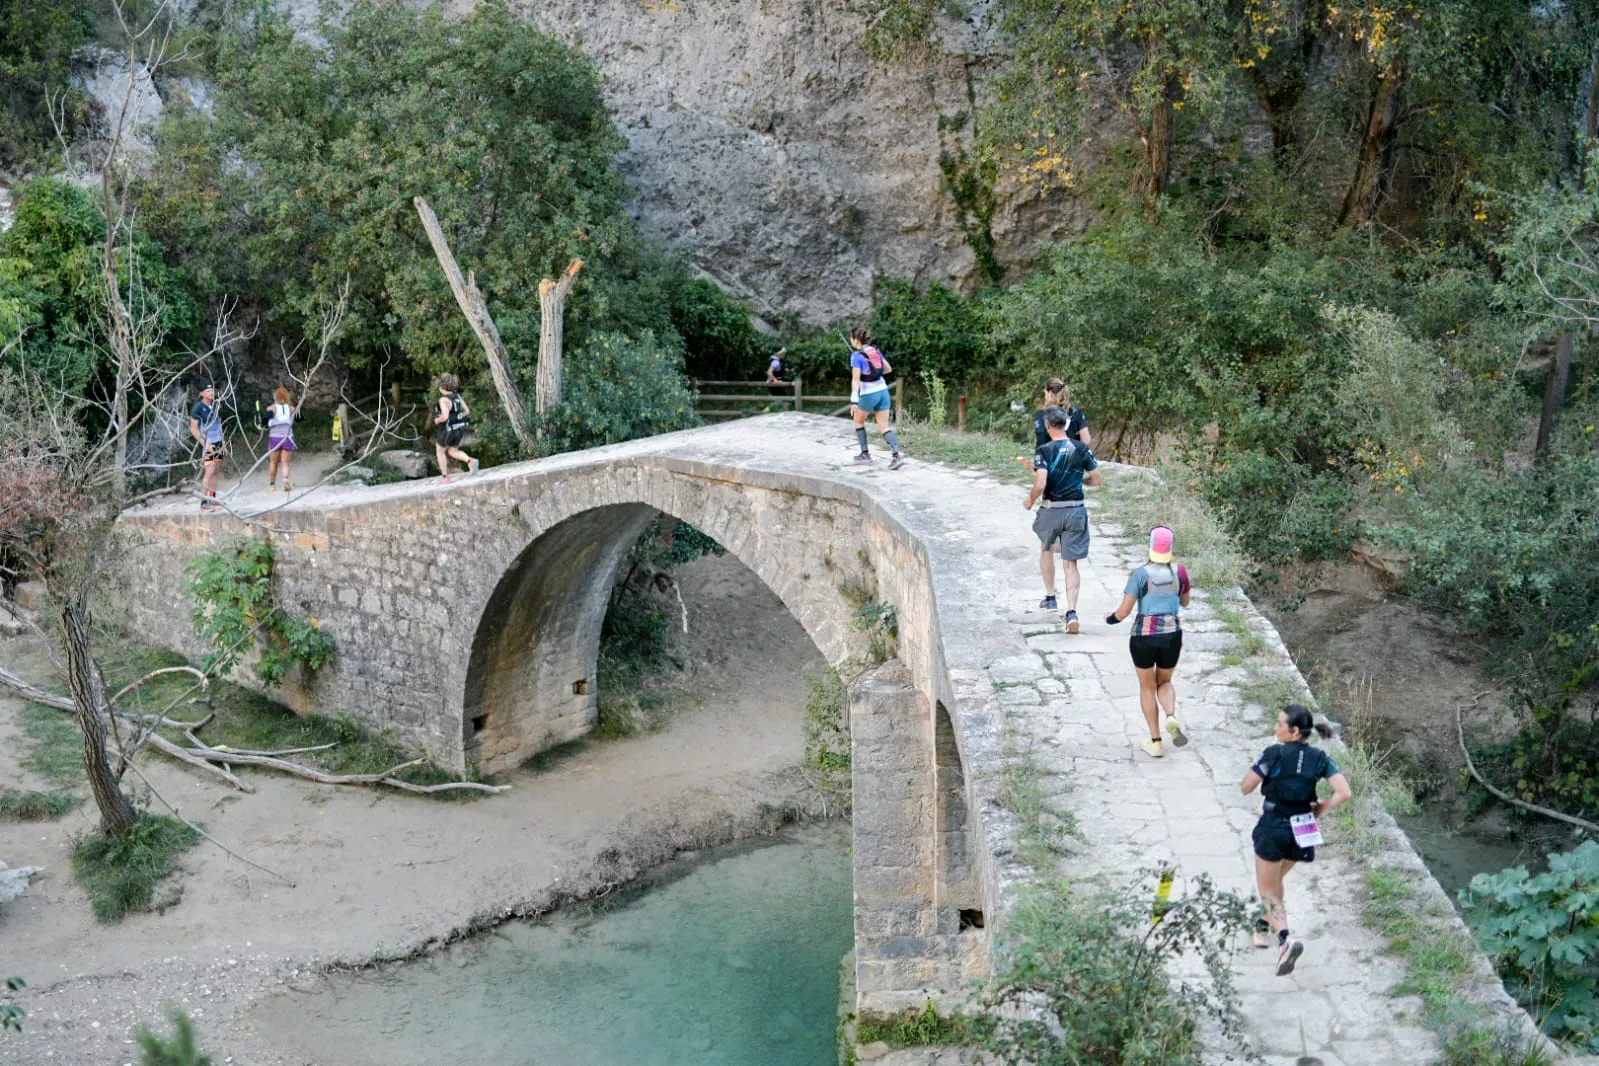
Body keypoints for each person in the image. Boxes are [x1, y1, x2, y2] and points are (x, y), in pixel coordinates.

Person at [1241, 704, 1351, 977]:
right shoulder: (1320, 757)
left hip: (1273, 826)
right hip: (1303, 830)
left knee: (1268, 890)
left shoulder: (1273, 753)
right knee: (1276, 884)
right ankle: (1261, 925)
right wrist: (1322, 809)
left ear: (1292, 731)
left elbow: (1246, 787)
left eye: (1279, 724)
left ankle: (1285, 940)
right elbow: (1344, 793)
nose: (1276, 728)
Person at [1104, 526, 1191, 758]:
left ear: (1150, 547)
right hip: (1172, 636)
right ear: (1171, 549)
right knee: (1164, 682)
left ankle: (1155, 741)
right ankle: (1171, 715)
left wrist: (1110, 619)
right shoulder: (1180, 572)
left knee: (1147, 686)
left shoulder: (1140, 575)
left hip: (1144, 637)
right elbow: (1185, 603)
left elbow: (1123, 612)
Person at [1023, 405, 1100, 631]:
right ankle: (1072, 613)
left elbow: (1041, 483)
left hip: (1051, 510)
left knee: (1046, 549)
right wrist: (1080, 482)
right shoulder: (1081, 449)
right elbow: (1096, 479)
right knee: (1070, 562)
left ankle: (1050, 598)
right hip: (1076, 509)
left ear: (1048, 426)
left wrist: (1029, 501)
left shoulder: (1044, 451)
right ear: (1067, 425)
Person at [848, 329, 904, 471]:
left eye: (851, 339)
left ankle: (865, 454)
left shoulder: (856, 356)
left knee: (858, 420)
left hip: (869, 394)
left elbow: (855, 379)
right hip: (883, 391)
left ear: (855, 340)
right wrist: (873, 372)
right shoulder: (875, 350)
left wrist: (854, 400)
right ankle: (896, 456)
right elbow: (888, 369)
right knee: (884, 426)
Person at [432, 374, 479, 484]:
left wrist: (437, 420)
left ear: (441, 387)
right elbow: (467, 411)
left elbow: (445, 417)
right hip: (460, 428)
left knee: (439, 451)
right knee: (452, 450)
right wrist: (457, 417)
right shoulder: (457, 396)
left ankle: (445, 477)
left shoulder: (443, 400)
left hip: (448, 429)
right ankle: (470, 461)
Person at [1028, 379, 1094, 451]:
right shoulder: (1076, 413)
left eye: (1045, 394)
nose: (1045, 397)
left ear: (1050, 394)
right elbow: (1086, 440)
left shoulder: (1042, 414)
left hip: (1050, 458)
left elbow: (1041, 441)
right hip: (1071, 457)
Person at [189, 384, 225, 513]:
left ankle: (213, 499)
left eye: (212, 390)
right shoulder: (198, 408)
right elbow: (193, 428)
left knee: (216, 471)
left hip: (218, 442)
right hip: (209, 442)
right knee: (209, 472)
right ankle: (203, 503)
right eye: (208, 391)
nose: (211, 393)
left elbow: (219, 422)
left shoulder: (215, 405)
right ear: (202, 393)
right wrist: (204, 443)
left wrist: (223, 442)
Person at [264, 387, 299, 492]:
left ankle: (272, 485)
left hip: (275, 437)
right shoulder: (291, 408)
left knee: (273, 462)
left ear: (276, 396)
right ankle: (285, 480)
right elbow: (300, 418)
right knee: (285, 463)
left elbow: (266, 422)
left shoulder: (272, 408)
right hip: (287, 437)